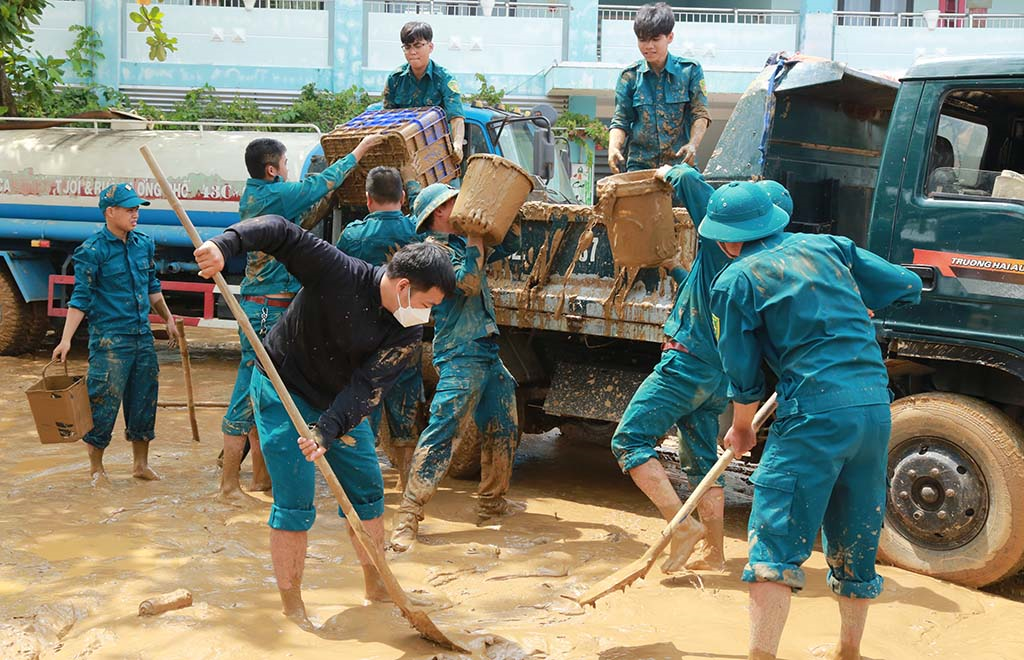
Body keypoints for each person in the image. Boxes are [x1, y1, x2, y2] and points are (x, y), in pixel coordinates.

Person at [194, 215, 455, 626]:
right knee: (294, 502)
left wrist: (326, 430)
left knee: (367, 493)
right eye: (428, 305)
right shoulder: (339, 272)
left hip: (340, 402)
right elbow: (280, 232)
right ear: (404, 287)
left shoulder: (406, 332)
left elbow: (366, 388)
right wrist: (224, 246)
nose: (427, 315)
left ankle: (377, 584)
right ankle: (292, 606)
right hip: (283, 388)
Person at [704, 181, 922, 660]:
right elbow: (907, 285)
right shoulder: (830, 248)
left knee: (773, 546)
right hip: (873, 408)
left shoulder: (736, 280)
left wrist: (742, 427)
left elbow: (741, 370)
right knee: (856, 534)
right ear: (774, 220)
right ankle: (849, 652)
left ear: (725, 240)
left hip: (814, 414)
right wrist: (862, 301)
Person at [610, 169, 795, 573]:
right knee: (702, 463)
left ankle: (680, 528)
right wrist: (676, 268)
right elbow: (706, 286)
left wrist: (671, 172)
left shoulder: (725, 239)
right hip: (717, 377)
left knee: (629, 441)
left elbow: (695, 185)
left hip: (685, 364)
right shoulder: (767, 264)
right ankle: (714, 553)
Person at [219, 133, 383, 501]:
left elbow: (307, 214)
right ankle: (228, 485)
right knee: (246, 394)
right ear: (272, 170)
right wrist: (358, 152)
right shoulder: (272, 195)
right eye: (285, 165)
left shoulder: (265, 197)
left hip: (269, 305)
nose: (289, 171)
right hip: (265, 309)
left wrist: (330, 196)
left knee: (263, 394)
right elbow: (317, 186)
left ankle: (261, 480)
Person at [389, 183, 522, 553]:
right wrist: (476, 236)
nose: (460, 205)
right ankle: (407, 519)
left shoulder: (463, 243)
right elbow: (469, 283)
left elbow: (510, 243)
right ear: (438, 212)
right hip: (460, 353)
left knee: (504, 426)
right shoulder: (434, 253)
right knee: (444, 431)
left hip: (485, 350)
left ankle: (492, 504)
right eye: (452, 202)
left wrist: (508, 210)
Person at [52, 183, 179, 485]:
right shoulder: (92, 251)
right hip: (110, 341)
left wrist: (168, 319)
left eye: (137, 209)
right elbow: (80, 298)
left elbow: (152, 287)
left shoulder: (143, 244)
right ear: (110, 212)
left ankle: (140, 465)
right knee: (102, 403)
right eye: (129, 209)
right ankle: (96, 468)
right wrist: (66, 339)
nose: (136, 214)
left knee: (144, 400)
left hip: (141, 337)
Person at [335, 166, 423, 488]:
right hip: (407, 328)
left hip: (365, 332)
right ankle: (405, 483)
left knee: (362, 405)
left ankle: (364, 484)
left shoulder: (353, 235)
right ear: (403, 197)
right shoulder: (417, 231)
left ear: (368, 199)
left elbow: (338, 279)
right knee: (405, 404)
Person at [608, 2, 711, 174]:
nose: (648, 46)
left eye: (655, 39)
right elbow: (621, 120)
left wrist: (693, 144)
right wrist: (613, 148)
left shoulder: (690, 71)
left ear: (670, 37)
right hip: (640, 166)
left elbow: (700, 113)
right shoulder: (629, 76)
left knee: (693, 186)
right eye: (642, 40)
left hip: (680, 166)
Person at [382, 20, 466, 165]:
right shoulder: (395, 79)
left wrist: (457, 145)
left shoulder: (444, 78)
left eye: (418, 45)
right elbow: (386, 118)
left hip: (437, 154)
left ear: (430, 46)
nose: (412, 52)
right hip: (404, 155)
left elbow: (456, 117)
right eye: (407, 47)